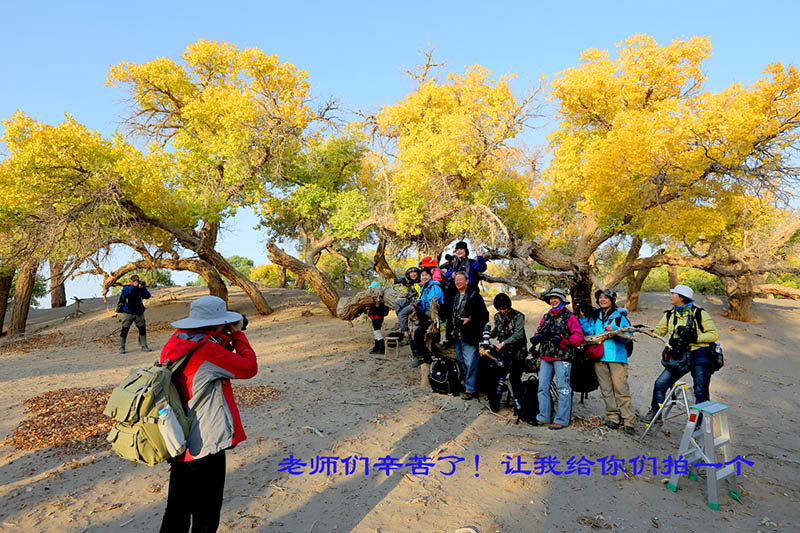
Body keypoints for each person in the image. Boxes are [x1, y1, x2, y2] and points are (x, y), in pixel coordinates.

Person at [159, 295, 257, 532]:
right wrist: (238, 334)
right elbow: (249, 367)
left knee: (177, 509)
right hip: (206, 440)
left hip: (178, 436)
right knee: (207, 511)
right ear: (218, 323)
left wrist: (223, 335)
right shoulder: (208, 351)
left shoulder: (176, 342)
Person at [641, 284, 718, 424]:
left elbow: (713, 335)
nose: (671, 296)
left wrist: (694, 339)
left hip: (699, 355)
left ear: (682, 298)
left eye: (674, 294)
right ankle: (655, 412)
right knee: (660, 384)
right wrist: (642, 329)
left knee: (700, 391)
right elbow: (659, 331)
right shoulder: (670, 314)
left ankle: (700, 423)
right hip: (678, 356)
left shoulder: (700, 314)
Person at [529, 288, 584, 429]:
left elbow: (578, 337)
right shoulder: (546, 316)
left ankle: (562, 419)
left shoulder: (569, 316)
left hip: (562, 357)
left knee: (563, 388)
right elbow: (540, 331)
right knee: (542, 387)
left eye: (556, 298)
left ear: (562, 300)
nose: (553, 300)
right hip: (546, 356)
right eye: (551, 298)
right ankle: (543, 416)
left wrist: (564, 340)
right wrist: (538, 335)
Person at [590, 289, 636, 435]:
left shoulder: (619, 316)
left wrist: (615, 329)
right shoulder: (596, 315)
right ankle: (613, 418)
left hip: (616, 357)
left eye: (606, 297)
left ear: (612, 300)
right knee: (606, 389)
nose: (602, 300)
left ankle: (628, 421)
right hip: (599, 357)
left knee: (621, 389)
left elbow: (629, 335)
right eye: (600, 297)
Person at [450, 271, 489, 400]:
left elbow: (484, 315)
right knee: (462, 361)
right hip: (457, 335)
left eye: (461, 280)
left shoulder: (474, 296)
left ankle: (471, 389)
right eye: (456, 280)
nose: (458, 282)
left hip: (470, 335)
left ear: (467, 281)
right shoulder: (454, 297)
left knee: (471, 362)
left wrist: (470, 319)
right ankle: (468, 385)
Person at [489, 293, 527, 396]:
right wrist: (488, 334)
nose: (503, 311)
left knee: (514, 378)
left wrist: (503, 343)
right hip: (504, 354)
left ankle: (519, 402)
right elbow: (497, 330)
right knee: (499, 375)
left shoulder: (518, 316)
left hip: (518, 353)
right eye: (500, 309)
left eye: (505, 308)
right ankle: (496, 399)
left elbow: (518, 334)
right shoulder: (498, 317)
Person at [410, 268, 444, 368]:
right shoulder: (424, 288)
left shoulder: (435, 287)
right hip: (424, 316)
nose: (424, 277)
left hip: (434, 318)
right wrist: (417, 305)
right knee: (412, 333)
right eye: (422, 275)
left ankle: (426, 356)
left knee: (418, 333)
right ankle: (419, 355)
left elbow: (433, 303)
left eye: (426, 275)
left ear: (430, 276)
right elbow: (424, 304)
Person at [118, 274, 152, 353]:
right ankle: (122, 347)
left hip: (139, 312)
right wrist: (133, 286)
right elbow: (126, 294)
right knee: (125, 329)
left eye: (136, 280)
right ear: (130, 281)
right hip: (128, 312)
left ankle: (144, 345)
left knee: (142, 329)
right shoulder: (126, 288)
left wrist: (142, 288)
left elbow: (147, 296)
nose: (135, 282)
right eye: (133, 280)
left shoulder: (139, 288)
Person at [394, 267, 421, 344]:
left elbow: (419, 291)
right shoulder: (411, 283)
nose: (413, 274)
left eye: (414, 272)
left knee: (402, 314)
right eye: (411, 273)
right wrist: (404, 284)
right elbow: (407, 292)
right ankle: (401, 321)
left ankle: (406, 334)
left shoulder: (420, 282)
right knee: (398, 303)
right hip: (409, 300)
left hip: (416, 303)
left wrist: (411, 284)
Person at [367, 281, 390, 355]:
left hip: (378, 317)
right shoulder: (375, 298)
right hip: (375, 317)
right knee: (376, 331)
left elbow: (379, 309)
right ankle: (377, 347)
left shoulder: (379, 298)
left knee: (377, 331)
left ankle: (381, 348)